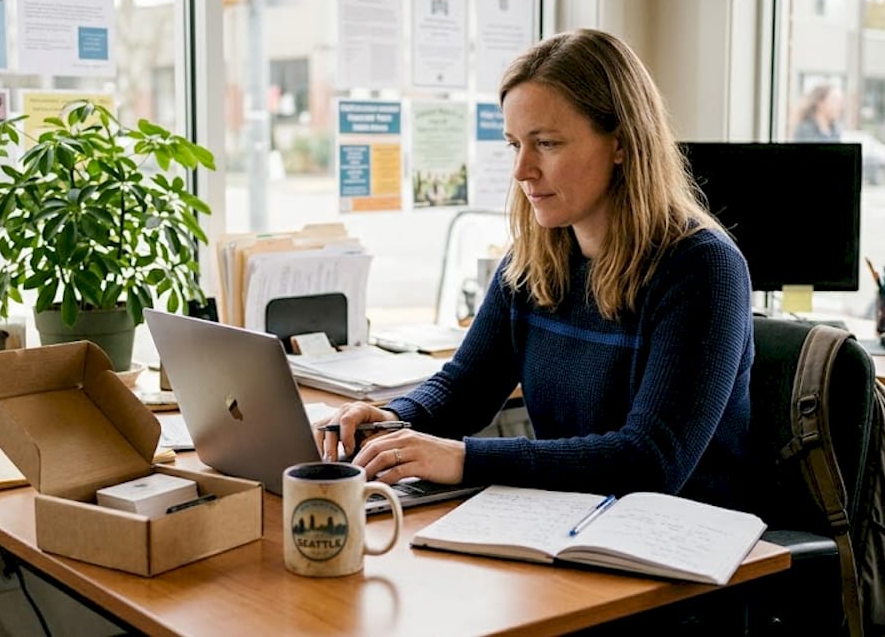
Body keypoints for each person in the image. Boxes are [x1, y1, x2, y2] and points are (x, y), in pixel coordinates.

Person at [319, 29, 755, 508]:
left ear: (622, 143)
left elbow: (651, 461)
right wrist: (388, 423)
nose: (522, 170)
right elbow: (466, 387)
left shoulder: (702, 269)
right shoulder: (536, 257)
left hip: (681, 546)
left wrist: (464, 458)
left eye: (546, 143)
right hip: (567, 523)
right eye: (514, 144)